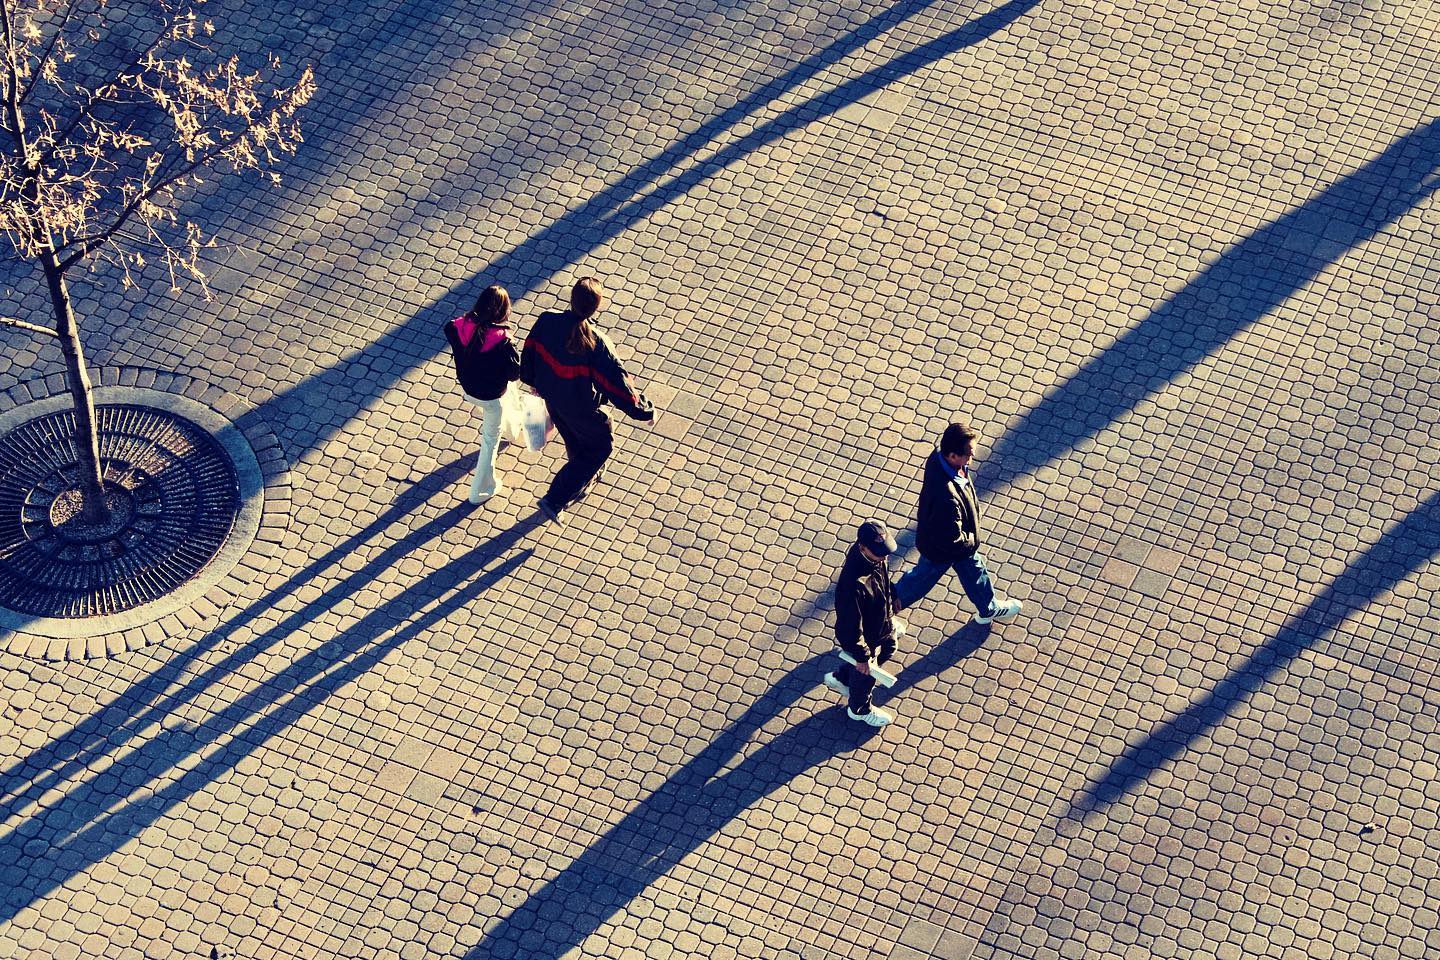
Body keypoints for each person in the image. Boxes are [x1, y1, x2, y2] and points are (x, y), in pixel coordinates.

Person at [519, 277, 656, 525]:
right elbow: (616, 384)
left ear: (571, 299)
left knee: (574, 440)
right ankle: (555, 499)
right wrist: (644, 411)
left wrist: (531, 381)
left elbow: (529, 352)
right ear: (597, 307)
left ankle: (581, 481)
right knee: (599, 448)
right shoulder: (597, 342)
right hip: (582, 408)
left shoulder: (547, 320)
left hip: (553, 398)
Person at [896, 421, 1024, 623]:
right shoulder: (946, 498)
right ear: (953, 455)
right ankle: (880, 614)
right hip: (944, 548)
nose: (972, 457)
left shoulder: (944, 461)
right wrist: (971, 541)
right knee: (919, 581)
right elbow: (952, 540)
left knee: (974, 571)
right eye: (969, 454)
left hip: (947, 541)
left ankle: (988, 609)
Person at [444, 285, 521, 503]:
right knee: (489, 441)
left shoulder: (458, 326)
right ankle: (480, 490)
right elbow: (514, 374)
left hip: (469, 389)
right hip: (491, 397)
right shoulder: (503, 341)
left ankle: (512, 431)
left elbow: (452, 330)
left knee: (506, 400)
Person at [824, 521, 902, 727]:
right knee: (866, 673)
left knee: (889, 647)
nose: (884, 557)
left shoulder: (874, 556)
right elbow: (849, 626)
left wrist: (893, 594)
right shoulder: (852, 585)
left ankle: (843, 678)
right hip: (868, 637)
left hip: (880, 623)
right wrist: (862, 656)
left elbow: (883, 577)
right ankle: (859, 709)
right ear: (862, 547)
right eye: (879, 553)